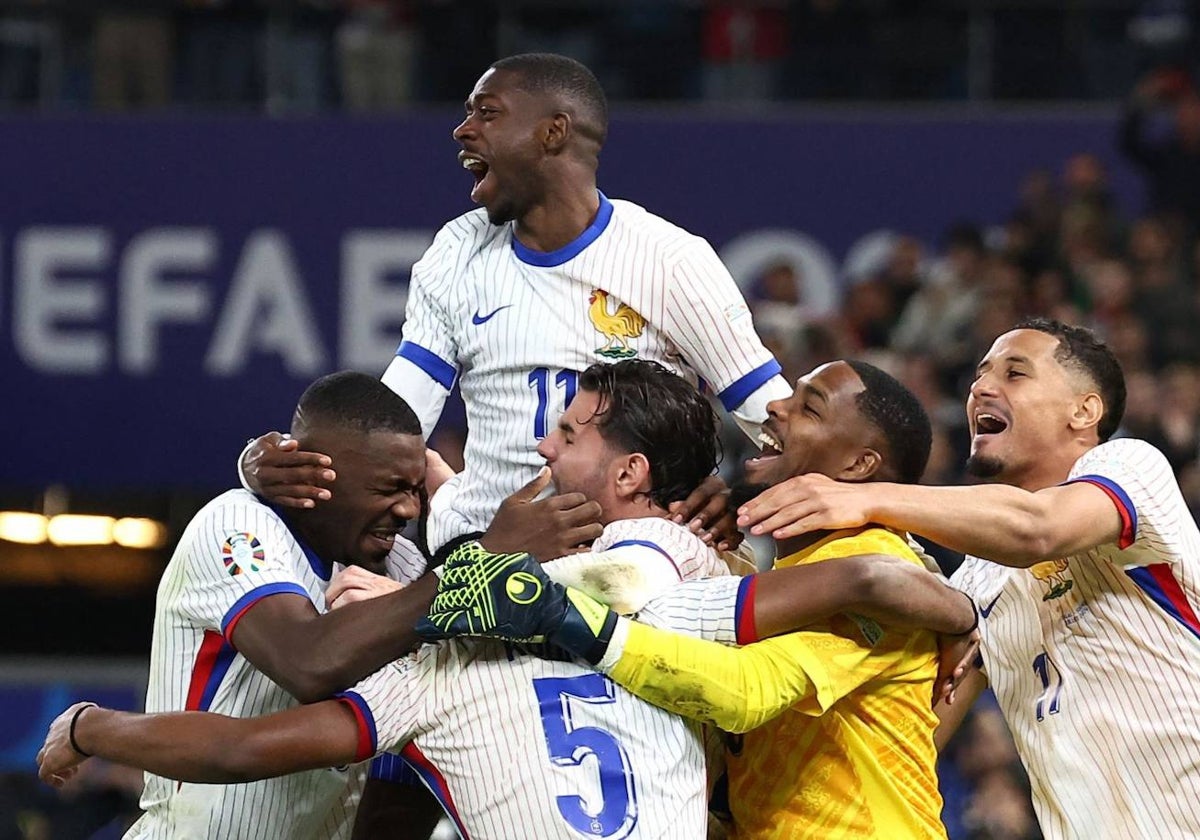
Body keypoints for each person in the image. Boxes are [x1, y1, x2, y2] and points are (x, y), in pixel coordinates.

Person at [40, 361, 972, 840]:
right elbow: (457, 532)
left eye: (564, 434)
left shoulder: (483, 638)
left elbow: (737, 687)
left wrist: (91, 727)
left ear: (629, 472)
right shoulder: (702, 582)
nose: (537, 452)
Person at [239, 51, 790, 560]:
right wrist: (271, 464)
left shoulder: (668, 258)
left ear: (553, 132)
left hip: (625, 557)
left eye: (488, 113)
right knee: (247, 519)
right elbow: (394, 422)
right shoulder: (457, 251)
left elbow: (773, 416)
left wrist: (741, 492)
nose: (463, 130)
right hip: (483, 548)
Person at [417, 359, 973, 839]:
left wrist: (570, 620)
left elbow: (747, 691)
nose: (775, 408)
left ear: (857, 466)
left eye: (810, 409)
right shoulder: (787, 565)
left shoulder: (878, 562)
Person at [734, 318, 1200, 838]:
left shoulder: (1132, 467)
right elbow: (915, 734)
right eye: (979, 375)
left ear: (1084, 411)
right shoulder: (976, 585)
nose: (981, 387)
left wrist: (861, 495)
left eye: (1015, 373)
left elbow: (1036, 529)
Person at [124, 370, 441, 840]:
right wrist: (462, 583)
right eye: (388, 488)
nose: (409, 510)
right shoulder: (237, 523)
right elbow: (309, 663)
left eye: (415, 490)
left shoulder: (400, 565)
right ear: (315, 475)